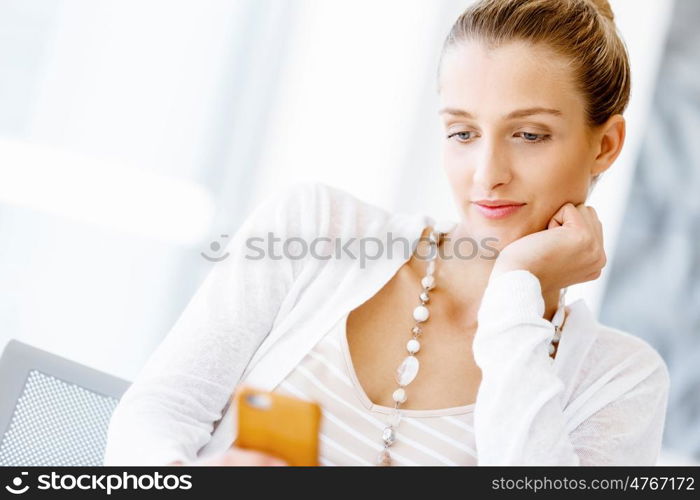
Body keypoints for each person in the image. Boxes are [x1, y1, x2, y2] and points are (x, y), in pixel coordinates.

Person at [103, 0, 670, 466]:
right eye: (463, 132)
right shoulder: (316, 228)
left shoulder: (621, 380)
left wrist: (516, 289)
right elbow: (159, 410)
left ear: (606, 144)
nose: (487, 174)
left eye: (528, 134)